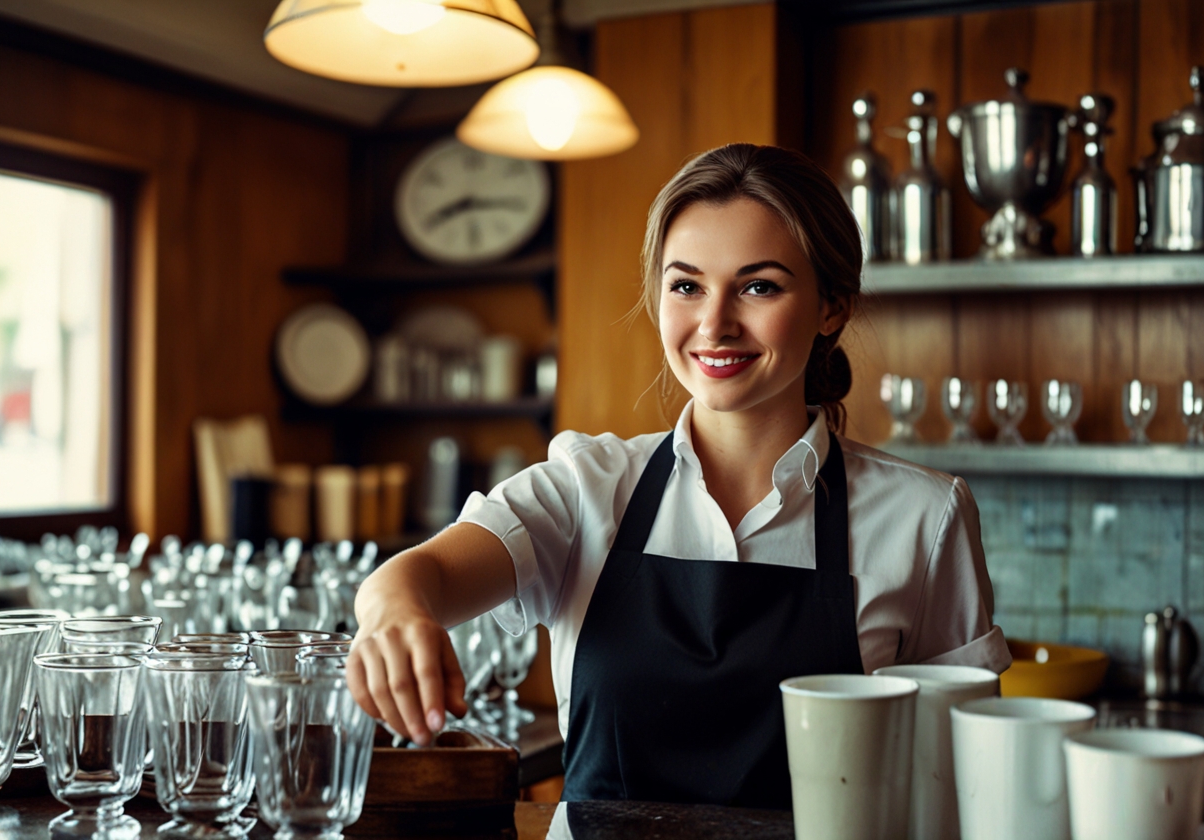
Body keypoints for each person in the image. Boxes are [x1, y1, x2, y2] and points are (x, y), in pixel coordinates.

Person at [346, 143, 1011, 809]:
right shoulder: (586, 487)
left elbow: (966, 782)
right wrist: (392, 610)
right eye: (686, 286)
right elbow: (415, 578)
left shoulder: (927, 517)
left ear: (832, 306)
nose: (714, 324)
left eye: (759, 286)